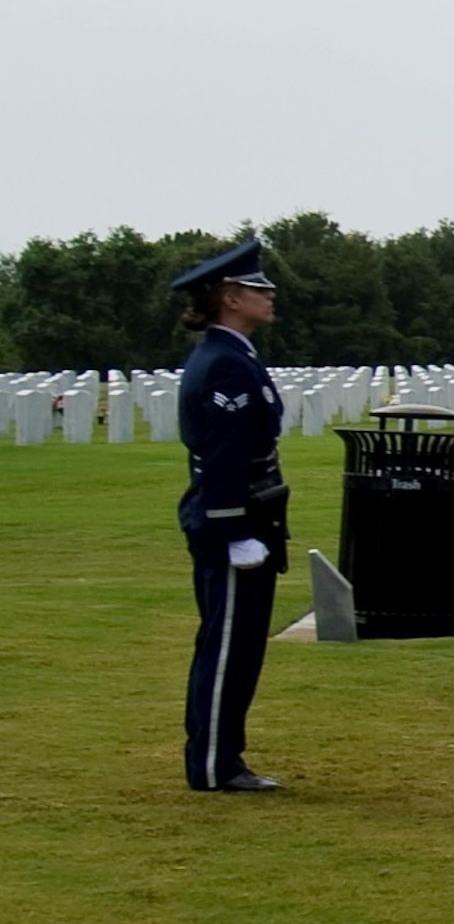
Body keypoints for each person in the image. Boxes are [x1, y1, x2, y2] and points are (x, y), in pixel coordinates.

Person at [171, 236, 289, 793]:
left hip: (250, 516)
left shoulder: (235, 356)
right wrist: (234, 529)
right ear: (230, 298)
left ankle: (223, 757)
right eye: (259, 288)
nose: (270, 295)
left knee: (239, 647)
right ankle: (215, 764)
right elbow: (222, 456)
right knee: (226, 649)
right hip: (232, 522)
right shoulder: (223, 366)